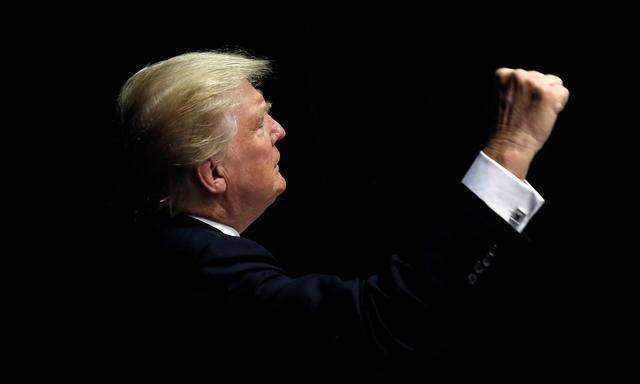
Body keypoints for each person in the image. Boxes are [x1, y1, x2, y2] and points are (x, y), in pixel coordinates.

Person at [116, 51, 569, 380]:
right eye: (259, 123)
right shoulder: (200, 266)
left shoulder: (172, 245)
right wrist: (513, 147)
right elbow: (382, 323)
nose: (279, 131)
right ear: (213, 174)